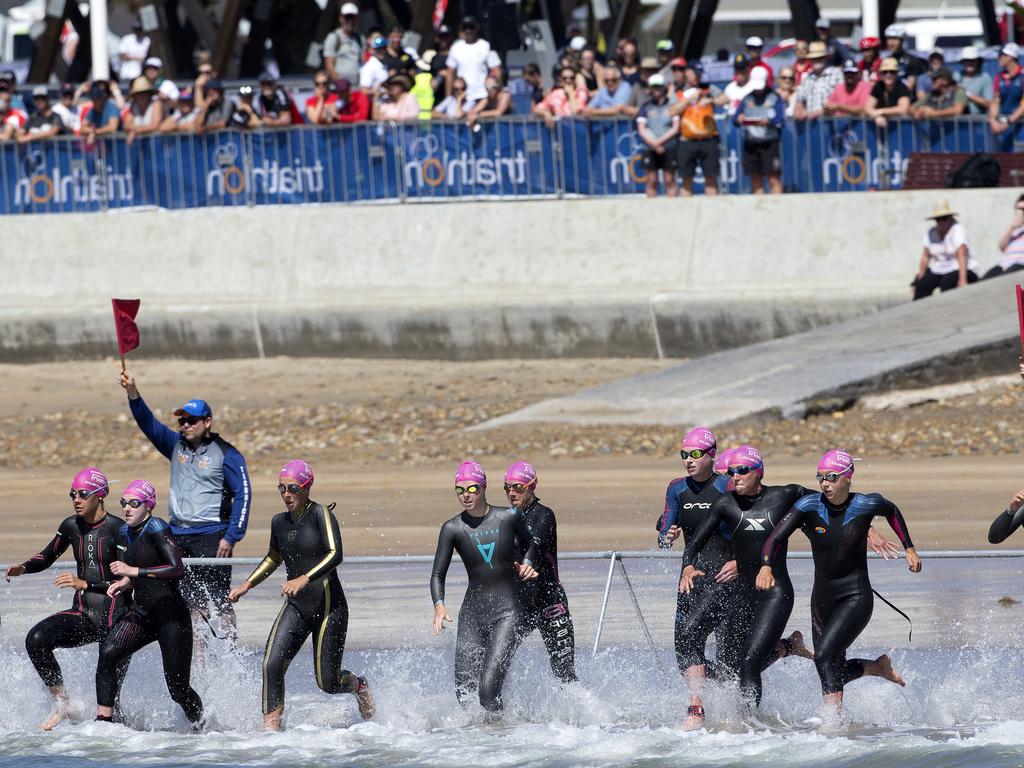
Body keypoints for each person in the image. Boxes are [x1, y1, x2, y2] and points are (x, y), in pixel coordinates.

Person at [757, 450, 921, 716]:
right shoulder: (809, 506)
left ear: (848, 477)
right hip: (822, 599)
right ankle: (875, 668)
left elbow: (892, 511)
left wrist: (909, 548)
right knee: (827, 664)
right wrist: (765, 565)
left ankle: (833, 722)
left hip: (855, 597)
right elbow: (774, 538)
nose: (825, 484)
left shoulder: (866, 504)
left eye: (832, 478)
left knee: (823, 656)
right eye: (820, 478)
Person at [229, 460, 374, 730]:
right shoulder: (279, 522)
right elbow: (274, 556)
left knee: (327, 683)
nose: (287, 494)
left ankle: (360, 685)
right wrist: (247, 584)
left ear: (307, 487)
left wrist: (304, 578)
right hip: (297, 607)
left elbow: (335, 554)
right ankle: (271, 730)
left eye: (293, 488)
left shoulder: (321, 515)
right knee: (271, 664)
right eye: (281, 488)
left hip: (330, 607)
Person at [119, 370, 251, 644]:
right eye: (182, 421)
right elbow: (149, 424)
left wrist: (231, 536)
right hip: (178, 536)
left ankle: (230, 654)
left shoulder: (227, 453)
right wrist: (133, 393)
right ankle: (199, 664)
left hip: (213, 536)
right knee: (191, 603)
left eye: (192, 420)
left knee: (219, 599)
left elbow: (243, 494)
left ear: (207, 422)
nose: (186, 425)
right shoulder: (175, 446)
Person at [679, 445, 814, 710]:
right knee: (731, 667)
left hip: (775, 594)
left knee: (750, 661)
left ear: (759, 472)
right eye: (732, 472)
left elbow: (829, 507)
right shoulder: (725, 503)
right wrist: (688, 566)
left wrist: (868, 531)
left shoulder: (785, 495)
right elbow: (694, 543)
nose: (735, 476)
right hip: (741, 595)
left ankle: (750, 723)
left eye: (742, 471)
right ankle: (786, 648)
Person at [5, 468, 127, 730]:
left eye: (83, 494)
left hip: (118, 622)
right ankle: (63, 703)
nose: (76, 499)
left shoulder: (119, 529)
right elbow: (47, 555)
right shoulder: (71, 526)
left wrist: (86, 584)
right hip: (84, 616)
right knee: (36, 639)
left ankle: (125, 741)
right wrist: (24, 568)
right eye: (73, 494)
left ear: (101, 495)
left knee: (110, 709)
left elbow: (129, 581)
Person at [430, 462, 539, 713]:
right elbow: (437, 573)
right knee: (464, 693)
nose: (466, 494)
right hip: (473, 613)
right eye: (460, 489)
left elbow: (530, 542)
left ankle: (502, 740)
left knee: (488, 693)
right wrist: (439, 605)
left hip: (507, 612)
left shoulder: (509, 517)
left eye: (472, 488)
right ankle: (480, 744)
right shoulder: (452, 528)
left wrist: (527, 562)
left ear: (484, 487)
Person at [96, 480, 203, 726]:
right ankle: (104, 720)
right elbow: (132, 574)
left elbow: (176, 569)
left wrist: (133, 571)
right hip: (141, 614)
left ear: (149, 505)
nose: (127, 509)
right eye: (124, 503)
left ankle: (201, 727)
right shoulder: (124, 532)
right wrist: (126, 582)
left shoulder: (157, 526)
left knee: (178, 689)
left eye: (134, 503)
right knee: (108, 653)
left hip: (171, 618)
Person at [656, 428, 742, 730]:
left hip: (725, 577)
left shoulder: (727, 484)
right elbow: (666, 523)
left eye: (695, 454)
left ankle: (732, 712)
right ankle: (698, 706)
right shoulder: (677, 488)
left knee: (729, 655)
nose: (688, 461)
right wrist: (665, 535)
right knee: (684, 643)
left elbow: (754, 523)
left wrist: (742, 561)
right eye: (684, 455)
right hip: (690, 578)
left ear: (711, 455)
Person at [503, 462, 577, 684]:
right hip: (519, 603)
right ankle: (498, 716)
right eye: (507, 488)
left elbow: (535, 544)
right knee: (498, 663)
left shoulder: (544, 514)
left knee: (564, 672)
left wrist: (526, 563)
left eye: (518, 487)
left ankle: (587, 718)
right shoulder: (504, 519)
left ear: (532, 486)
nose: (511, 493)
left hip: (550, 601)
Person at [672, 64, 725, 196]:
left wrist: (710, 100)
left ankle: (713, 211)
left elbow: (725, 98)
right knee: (686, 179)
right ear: (686, 74)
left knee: (711, 178)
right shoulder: (678, 92)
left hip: (708, 139)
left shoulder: (707, 88)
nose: (696, 76)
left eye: (698, 74)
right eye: (693, 73)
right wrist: (688, 100)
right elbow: (672, 111)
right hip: (687, 141)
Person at [912, 200, 979, 300]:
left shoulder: (957, 230)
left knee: (947, 283)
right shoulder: (931, 232)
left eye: (944, 218)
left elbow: (962, 253)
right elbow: (925, 256)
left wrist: (962, 279)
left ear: (950, 218)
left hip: (960, 268)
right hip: (939, 268)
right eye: (938, 219)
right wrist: (919, 278)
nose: (941, 222)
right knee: (922, 286)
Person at [734, 68, 784, 195]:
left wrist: (770, 122)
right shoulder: (746, 99)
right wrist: (739, 118)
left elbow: (781, 120)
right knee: (755, 179)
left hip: (769, 143)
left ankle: (778, 208)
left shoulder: (774, 98)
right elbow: (735, 118)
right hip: (751, 143)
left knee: (773, 178)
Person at [637, 74, 679, 197]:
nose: (656, 90)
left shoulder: (672, 106)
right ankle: (651, 212)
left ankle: (674, 209)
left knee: (669, 180)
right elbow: (642, 129)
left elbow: (675, 128)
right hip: (650, 148)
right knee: (651, 180)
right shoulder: (645, 107)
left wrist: (660, 142)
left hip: (668, 147)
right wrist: (654, 144)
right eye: (654, 87)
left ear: (664, 88)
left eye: (659, 87)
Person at [445, 16, 501, 103]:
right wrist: (448, 98)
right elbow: (450, 74)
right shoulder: (456, 47)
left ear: (476, 28)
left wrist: (497, 93)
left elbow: (497, 70)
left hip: (483, 97)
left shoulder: (485, 46)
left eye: (471, 27)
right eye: (465, 27)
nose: (468, 30)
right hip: (462, 97)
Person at [989, 43, 1024, 151]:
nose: (998, 58)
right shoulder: (999, 78)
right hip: (1004, 127)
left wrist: (1008, 122)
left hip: (1020, 127)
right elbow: (995, 101)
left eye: (1001, 55)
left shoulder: (1022, 76)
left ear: (1010, 57)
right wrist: (992, 120)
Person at [794, 41, 841, 120]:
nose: (816, 60)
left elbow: (840, 100)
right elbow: (799, 100)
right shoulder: (807, 77)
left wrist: (815, 114)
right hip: (811, 126)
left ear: (826, 58)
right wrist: (799, 111)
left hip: (831, 123)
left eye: (819, 58)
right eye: (814, 58)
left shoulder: (836, 74)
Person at [983, 194, 1024, 279]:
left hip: (1020, 264)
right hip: (1005, 264)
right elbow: (1002, 247)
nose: (1020, 212)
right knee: (981, 283)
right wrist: (1011, 227)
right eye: (1018, 208)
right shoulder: (1015, 229)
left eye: (1023, 209)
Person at [323, 3, 364, 84]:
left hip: (357, 87)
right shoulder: (333, 37)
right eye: (347, 17)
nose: (350, 20)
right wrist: (340, 83)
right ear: (341, 18)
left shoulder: (360, 38)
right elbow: (329, 65)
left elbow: (363, 61)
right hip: (340, 88)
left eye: (352, 17)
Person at [867, 58, 912, 128]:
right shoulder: (878, 86)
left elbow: (903, 109)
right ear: (881, 74)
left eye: (892, 72)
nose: (888, 75)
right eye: (885, 72)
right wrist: (876, 117)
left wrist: (880, 111)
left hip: (903, 127)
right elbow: (867, 107)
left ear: (896, 74)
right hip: (883, 127)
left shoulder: (902, 87)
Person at [883, 24, 927, 95]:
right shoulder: (886, 60)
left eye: (895, 39)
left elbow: (910, 87)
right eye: (889, 39)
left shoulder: (912, 60)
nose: (891, 43)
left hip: (906, 100)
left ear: (902, 40)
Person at [123, 76, 164, 144]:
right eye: (138, 93)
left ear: (149, 94)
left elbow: (154, 125)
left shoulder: (156, 104)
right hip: (142, 149)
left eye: (144, 92)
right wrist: (136, 130)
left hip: (158, 145)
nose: (142, 95)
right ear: (135, 96)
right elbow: (126, 125)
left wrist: (135, 131)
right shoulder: (133, 107)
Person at [958, 47, 992, 116]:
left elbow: (990, 103)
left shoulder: (984, 77)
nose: (970, 63)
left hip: (978, 123)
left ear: (978, 62)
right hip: (958, 123)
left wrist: (967, 95)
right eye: (967, 60)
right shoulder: (956, 76)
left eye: (973, 60)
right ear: (963, 62)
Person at [118, 18, 150, 83]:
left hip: (140, 73)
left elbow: (147, 56)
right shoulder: (127, 39)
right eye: (136, 30)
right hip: (127, 73)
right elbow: (121, 56)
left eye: (139, 29)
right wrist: (137, 58)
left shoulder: (147, 40)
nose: (137, 31)